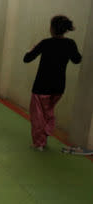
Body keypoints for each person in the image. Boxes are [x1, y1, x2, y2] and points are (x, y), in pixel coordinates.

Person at [23, 15, 82, 151]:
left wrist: (31, 49)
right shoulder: (70, 44)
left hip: (41, 87)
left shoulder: (45, 43)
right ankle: (46, 133)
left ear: (53, 28)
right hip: (58, 87)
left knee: (38, 116)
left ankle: (39, 143)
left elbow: (27, 59)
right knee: (48, 111)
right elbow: (77, 59)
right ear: (65, 29)